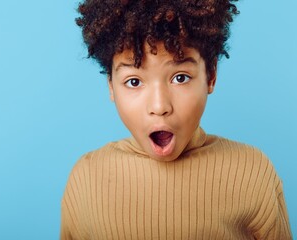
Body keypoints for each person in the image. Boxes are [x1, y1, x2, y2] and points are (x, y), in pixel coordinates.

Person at [61, 0, 292, 239]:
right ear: (111, 86)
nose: (159, 106)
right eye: (134, 81)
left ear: (210, 76)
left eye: (180, 78)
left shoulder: (252, 172)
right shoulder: (86, 178)